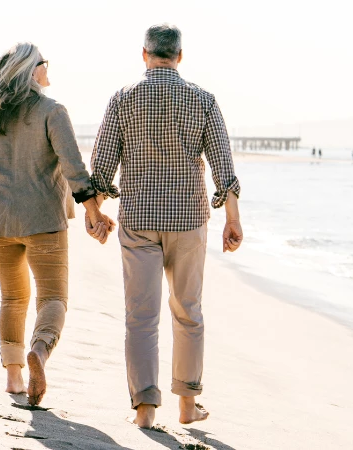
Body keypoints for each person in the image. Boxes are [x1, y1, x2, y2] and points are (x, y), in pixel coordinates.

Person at [90, 23, 242, 429]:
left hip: (139, 220)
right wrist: (233, 219)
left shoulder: (123, 99)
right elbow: (223, 167)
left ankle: (144, 411)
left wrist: (94, 211)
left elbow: (102, 167)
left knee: (140, 316)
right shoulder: (204, 101)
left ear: (144, 55)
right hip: (189, 221)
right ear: (179, 56)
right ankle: (188, 405)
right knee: (188, 311)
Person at [0, 42, 112, 406]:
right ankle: (40, 351)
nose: (48, 68)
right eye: (44, 63)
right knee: (53, 297)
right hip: (44, 220)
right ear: (32, 72)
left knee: (13, 297)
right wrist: (93, 211)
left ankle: (13, 378)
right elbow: (75, 169)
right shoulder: (51, 111)